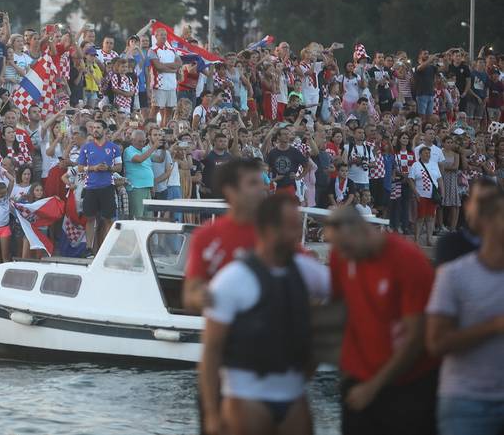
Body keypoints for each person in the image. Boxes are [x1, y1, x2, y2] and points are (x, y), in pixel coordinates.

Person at [200, 193, 329, 435]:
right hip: (246, 396)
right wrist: (212, 414)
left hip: (293, 394)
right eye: (292, 228)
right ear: (270, 230)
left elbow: (346, 295)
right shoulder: (231, 280)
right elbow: (211, 352)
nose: (297, 236)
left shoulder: (307, 271)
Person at [324, 206, 438, 435]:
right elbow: (339, 309)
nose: (342, 255)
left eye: (345, 247)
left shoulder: (408, 260)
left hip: (407, 383)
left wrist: (373, 386)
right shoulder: (342, 255)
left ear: (363, 229)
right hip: (359, 379)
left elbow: (415, 337)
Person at [426, 189, 504, 435]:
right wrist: (493, 327)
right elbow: (436, 343)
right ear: (486, 222)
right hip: (466, 402)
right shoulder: (454, 275)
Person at [183, 158, 265, 312]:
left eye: (261, 182)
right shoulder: (206, 236)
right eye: (253, 183)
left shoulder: (275, 232)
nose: (262, 188)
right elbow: (190, 296)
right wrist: (200, 298)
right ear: (230, 191)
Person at [77, 119, 122, 253]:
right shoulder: (86, 147)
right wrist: (93, 168)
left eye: (98, 127)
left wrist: (108, 168)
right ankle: (89, 248)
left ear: (105, 130)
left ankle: (108, 248)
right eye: (93, 127)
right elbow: (80, 168)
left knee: (108, 219)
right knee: (90, 218)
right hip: (90, 187)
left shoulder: (113, 147)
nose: (95, 130)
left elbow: (119, 167)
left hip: (107, 187)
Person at [435, 177, 497, 265]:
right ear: (467, 205)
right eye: (480, 202)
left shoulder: (498, 245)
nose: (485, 208)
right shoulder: (448, 244)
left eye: (491, 203)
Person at [408, 146, 443, 246]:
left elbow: (439, 179)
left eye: (429, 153)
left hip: (432, 196)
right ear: (420, 154)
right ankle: (416, 239)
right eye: (425, 153)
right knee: (420, 218)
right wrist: (415, 193)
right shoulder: (416, 165)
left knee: (431, 217)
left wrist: (442, 193)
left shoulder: (434, 164)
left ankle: (429, 239)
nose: (428, 154)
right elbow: (410, 179)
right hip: (421, 195)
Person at [149, 26, 182, 124]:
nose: (164, 37)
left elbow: (179, 63)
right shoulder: (153, 50)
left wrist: (164, 66)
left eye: (165, 35)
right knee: (155, 108)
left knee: (169, 109)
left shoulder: (172, 50)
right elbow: (158, 67)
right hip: (159, 85)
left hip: (171, 85)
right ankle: (150, 127)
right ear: (156, 36)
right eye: (161, 35)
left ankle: (165, 129)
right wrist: (172, 69)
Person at [263, 125, 308, 195]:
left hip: (290, 186)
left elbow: (307, 166)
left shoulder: (294, 151)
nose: (287, 136)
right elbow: (265, 168)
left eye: (288, 134)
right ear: (278, 136)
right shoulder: (272, 152)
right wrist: (271, 179)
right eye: (284, 134)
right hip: (276, 186)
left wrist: (298, 177)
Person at [123, 129, 158, 219]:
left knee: (148, 218)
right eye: (139, 141)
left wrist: (164, 148)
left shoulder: (145, 150)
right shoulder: (129, 150)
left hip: (147, 187)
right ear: (132, 140)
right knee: (137, 217)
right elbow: (139, 159)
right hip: (136, 188)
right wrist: (154, 147)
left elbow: (160, 159)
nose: (142, 143)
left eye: (144, 141)